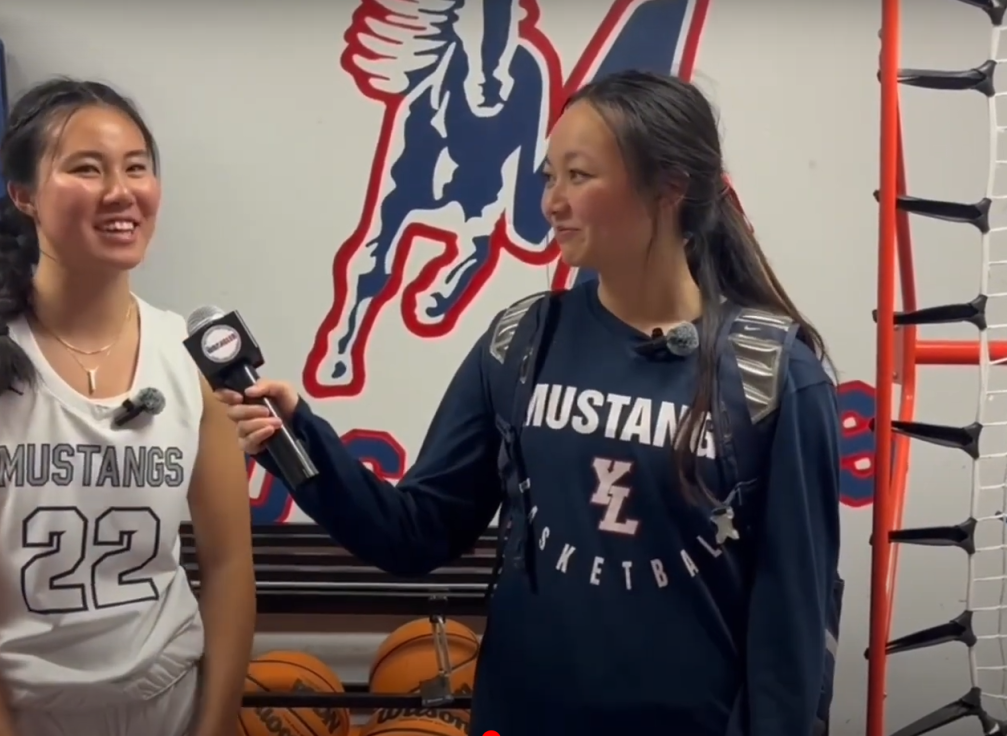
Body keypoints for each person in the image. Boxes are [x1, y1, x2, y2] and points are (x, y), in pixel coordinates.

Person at [217, 71, 842, 736]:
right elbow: (415, 530)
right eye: (549, 176)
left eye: (579, 176)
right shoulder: (520, 342)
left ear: (669, 187)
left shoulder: (775, 378)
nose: (552, 202)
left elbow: (794, 640)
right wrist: (296, 442)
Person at [0, 78, 255, 736]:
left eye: (137, 167)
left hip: (167, 704)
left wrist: (215, 726)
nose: (122, 191)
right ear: (23, 194)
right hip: (16, 714)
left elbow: (228, 569)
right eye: (87, 168)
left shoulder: (189, 356)